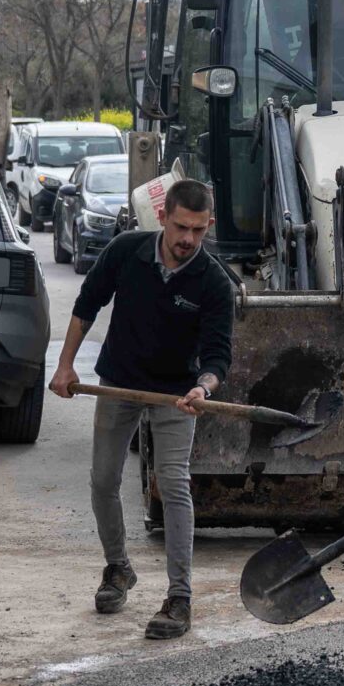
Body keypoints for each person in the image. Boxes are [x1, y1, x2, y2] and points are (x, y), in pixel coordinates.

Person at [50, 179, 234, 640]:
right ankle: (118, 568)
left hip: (177, 394)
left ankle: (180, 597)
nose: (187, 239)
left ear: (209, 225)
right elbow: (87, 304)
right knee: (102, 480)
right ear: (163, 217)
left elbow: (217, 357)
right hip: (120, 382)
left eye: (197, 230)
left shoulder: (213, 281)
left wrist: (203, 389)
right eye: (180, 227)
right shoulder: (126, 251)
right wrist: (66, 365)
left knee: (173, 485)